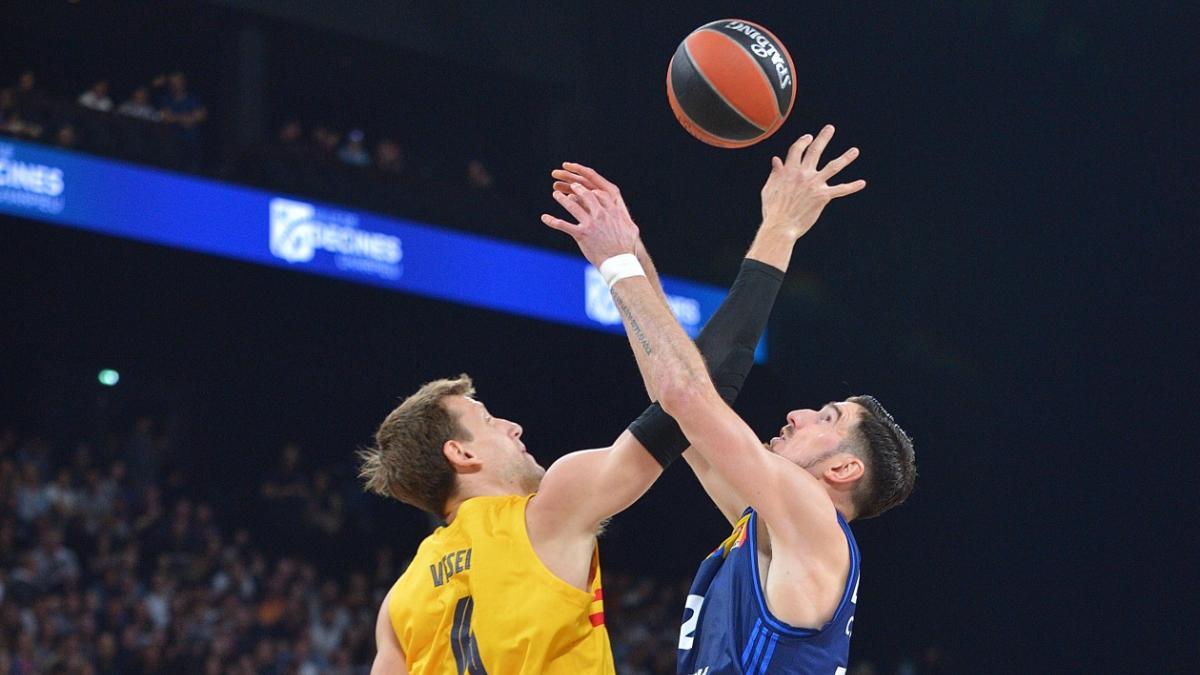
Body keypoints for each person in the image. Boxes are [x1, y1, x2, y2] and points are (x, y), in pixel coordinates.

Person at [359, 133, 843, 673]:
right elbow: (690, 399)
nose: (513, 426)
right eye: (490, 421)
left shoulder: (396, 608)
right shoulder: (546, 512)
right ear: (460, 455)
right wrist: (778, 229)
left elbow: (682, 397)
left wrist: (631, 254)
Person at [546, 125, 917, 674]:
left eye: (826, 417)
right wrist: (627, 251)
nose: (798, 413)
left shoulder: (814, 519)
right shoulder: (772, 531)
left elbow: (687, 394)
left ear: (843, 467)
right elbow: (678, 408)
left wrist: (780, 228)